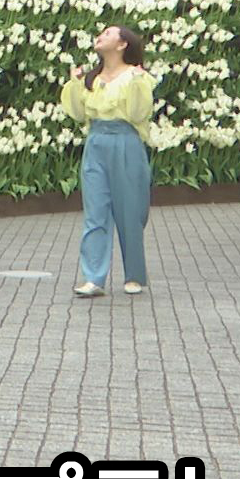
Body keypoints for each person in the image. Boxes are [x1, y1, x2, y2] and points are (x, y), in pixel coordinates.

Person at [60, 25, 157, 298]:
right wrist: (75, 84)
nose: (100, 36)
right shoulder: (91, 78)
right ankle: (93, 277)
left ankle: (134, 275)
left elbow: (138, 114)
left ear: (123, 44)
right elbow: (78, 114)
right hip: (96, 142)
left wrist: (136, 84)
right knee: (95, 211)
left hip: (126, 141)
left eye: (108, 33)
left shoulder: (136, 76)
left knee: (130, 211)